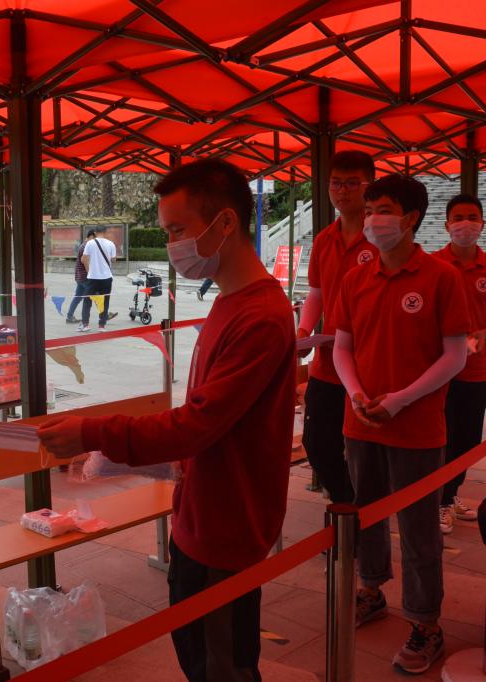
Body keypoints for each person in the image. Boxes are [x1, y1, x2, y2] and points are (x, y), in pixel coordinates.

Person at [38, 158, 295, 681]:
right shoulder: (229, 302)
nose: (172, 244)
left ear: (225, 223)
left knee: (221, 665)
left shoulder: (261, 317)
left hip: (228, 524)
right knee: (197, 652)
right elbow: (205, 425)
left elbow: (197, 424)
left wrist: (92, 431)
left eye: (177, 230)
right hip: (199, 510)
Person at [331, 174, 470, 674]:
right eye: (369, 210)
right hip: (361, 421)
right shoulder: (356, 278)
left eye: (383, 210)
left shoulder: (441, 277)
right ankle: (371, 591)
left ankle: (426, 623)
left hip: (416, 428)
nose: (372, 220)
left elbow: (455, 355)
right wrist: (357, 394)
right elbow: (342, 346)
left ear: (411, 218)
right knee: (366, 515)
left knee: (417, 529)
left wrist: (401, 400)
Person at [296, 150, 377, 503]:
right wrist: (304, 332)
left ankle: (359, 512)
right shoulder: (323, 239)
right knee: (317, 443)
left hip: (369, 365)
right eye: (336, 183)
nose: (342, 191)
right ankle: (349, 505)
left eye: (352, 183)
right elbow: (316, 293)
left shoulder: (380, 238)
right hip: (328, 363)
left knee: (364, 446)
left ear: (369, 186)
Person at [432, 194, 486, 534]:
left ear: (482, 223)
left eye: (472, 217)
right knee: (440, 437)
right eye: (458, 217)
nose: (466, 224)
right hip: (438, 369)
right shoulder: (432, 265)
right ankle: (439, 500)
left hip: (476, 370)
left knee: (466, 440)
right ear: (447, 225)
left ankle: (449, 494)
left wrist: (484, 331)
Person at [79, 229, 116, 331]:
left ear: (95, 233)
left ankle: (85, 324)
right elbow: (113, 259)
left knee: (87, 301)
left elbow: (84, 258)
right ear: (105, 232)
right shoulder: (111, 244)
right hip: (106, 278)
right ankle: (101, 326)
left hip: (92, 278)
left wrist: (89, 271)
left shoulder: (90, 243)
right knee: (105, 301)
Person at [65, 231, 93, 323]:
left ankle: (69, 316)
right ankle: (104, 314)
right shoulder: (86, 246)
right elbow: (84, 260)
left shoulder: (83, 245)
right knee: (96, 295)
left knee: (77, 297)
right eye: (94, 238)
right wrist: (90, 274)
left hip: (80, 277)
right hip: (84, 277)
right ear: (91, 237)